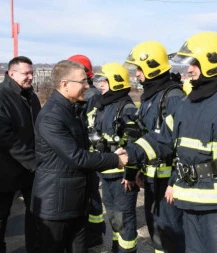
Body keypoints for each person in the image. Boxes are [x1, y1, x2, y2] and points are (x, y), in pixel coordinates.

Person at [124, 32, 217, 253]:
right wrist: (129, 155)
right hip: (189, 200)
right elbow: (167, 142)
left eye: (194, 63)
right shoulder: (187, 102)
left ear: (211, 62)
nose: (188, 69)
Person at [30, 60, 128, 253]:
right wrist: (115, 160)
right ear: (64, 84)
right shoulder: (52, 116)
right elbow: (77, 157)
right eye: (83, 81)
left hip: (75, 202)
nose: (87, 86)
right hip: (56, 205)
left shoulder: (71, 109)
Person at [124, 41, 186, 253]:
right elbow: (144, 136)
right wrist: (138, 171)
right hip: (152, 177)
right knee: (156, 229)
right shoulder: (150, 96)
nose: (137, 74)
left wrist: (174, 182)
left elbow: (182, 144)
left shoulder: (173, 96)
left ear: (152, 67)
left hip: (167, 181)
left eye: (139, 69)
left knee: (171, 232)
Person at [0, 56, 40, 253]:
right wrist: (33, 162)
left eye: (32, 73)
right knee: (1, 212)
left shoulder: (30, 95)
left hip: (29, 166)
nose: (30, 77)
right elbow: (5, 138)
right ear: (11, 74)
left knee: (34, 211)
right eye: (26, 73)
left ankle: (34, 245)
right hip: (4, 167)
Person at [89, 62, 139, 253]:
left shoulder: (126, 108)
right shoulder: (104, 105)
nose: (101, 85)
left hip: (121, 176)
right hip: (106, 172)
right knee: (114, 215)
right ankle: (117, 248)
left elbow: (135, 143)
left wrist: (131, 172)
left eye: (105, 81)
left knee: (125, 218)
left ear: (116, 83)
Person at [68, 54, 105, 248]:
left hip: (87, 152)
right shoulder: (94, 95)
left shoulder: (86, 97)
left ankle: (93, 234)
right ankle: (96, 232)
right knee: (92, 193)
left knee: (90, 193)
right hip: (91, 151)